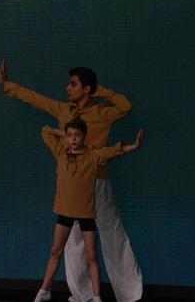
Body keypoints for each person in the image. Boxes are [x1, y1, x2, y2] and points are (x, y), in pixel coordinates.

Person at [0, 61, 142, 302]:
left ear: (86, 89)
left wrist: (101, 92)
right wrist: (8, 86)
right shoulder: (64, 110)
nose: (67, 88)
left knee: (111, 233)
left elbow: (125, 106)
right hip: (73, 186)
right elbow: (36, 99)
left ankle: (130, 295)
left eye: (73, 84)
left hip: (98, 181)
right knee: (73, 242)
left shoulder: (102, 112)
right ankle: (83, 295)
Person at [33, 119, 144, 302]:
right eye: (70, 136)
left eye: (77, 135)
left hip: (85, 214)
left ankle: (96, 296)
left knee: (91, 255)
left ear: (84, 137)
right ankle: (44, 291)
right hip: (65, 212)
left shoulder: (92, 156)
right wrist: (64, 134)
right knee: (56, 250)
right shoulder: (60, 152)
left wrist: (134, 146)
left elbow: (114, 151)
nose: (73, 139)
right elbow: (45, 130)